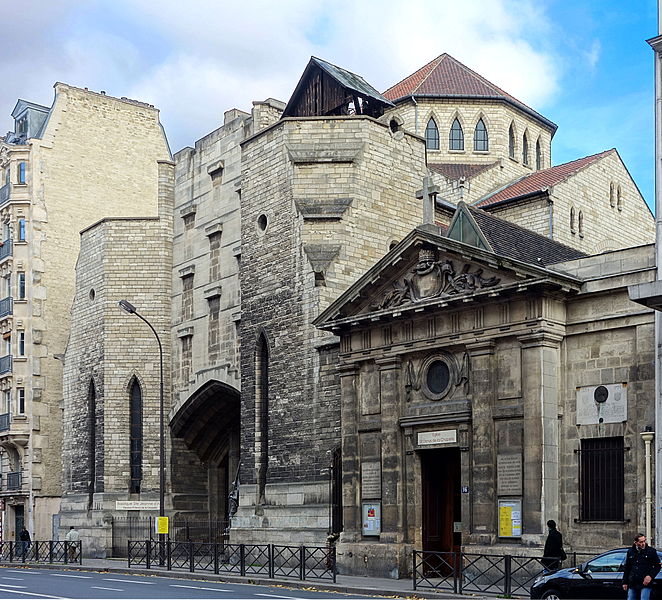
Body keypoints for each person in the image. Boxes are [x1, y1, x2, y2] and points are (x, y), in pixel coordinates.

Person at [623, 533, 661, 600]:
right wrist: (625, 582)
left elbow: (657, 566)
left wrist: (650, 576)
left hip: (645, 582)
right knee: (630, 598)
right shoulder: (630, 552)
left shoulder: (651, 551)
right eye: (641, 542)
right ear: (635, 542)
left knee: (644, 598)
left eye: (644, 541)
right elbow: (627, 567)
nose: (643, 543)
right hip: (633, 581)